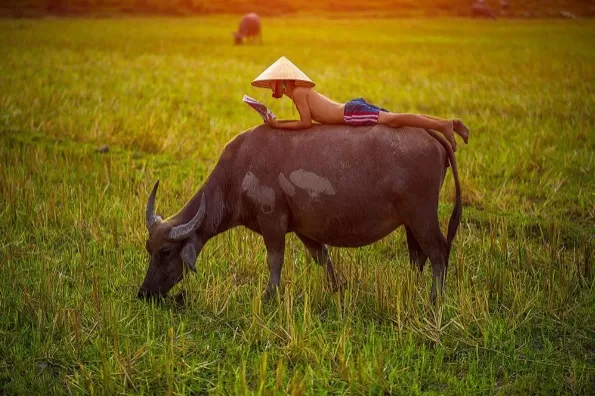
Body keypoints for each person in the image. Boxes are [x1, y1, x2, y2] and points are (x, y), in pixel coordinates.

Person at [251, 56, 469, 151]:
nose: (271, 88)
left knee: (393, 120)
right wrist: (278, 122)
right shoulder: (299, 92)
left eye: (272, 84)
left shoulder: (298, 92)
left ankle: (443, 126)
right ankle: (447, 123)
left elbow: (306, 124)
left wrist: (279, 126)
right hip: (351, 108)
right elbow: (305, 120)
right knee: (395, 118)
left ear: (282, 81)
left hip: (350, 114)